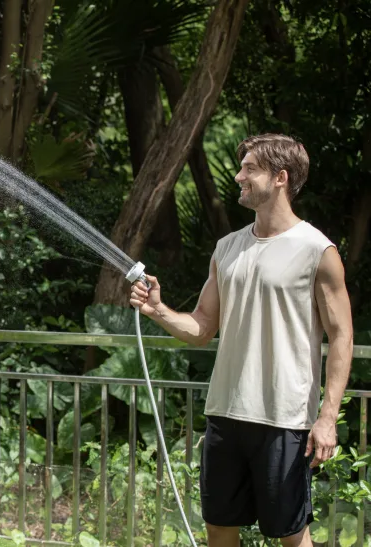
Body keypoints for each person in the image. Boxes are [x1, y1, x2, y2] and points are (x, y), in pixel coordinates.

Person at [129, 133, 354, 547]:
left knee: (292, 536)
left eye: (250, 169)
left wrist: (327, 418)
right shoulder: (227, 248)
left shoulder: (317, 250)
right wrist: (158, 310)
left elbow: (342, 337)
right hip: (226, 413)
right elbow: (202, 327)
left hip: (284, 419)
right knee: (219, 529)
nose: (238, 176)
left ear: (281, 177)